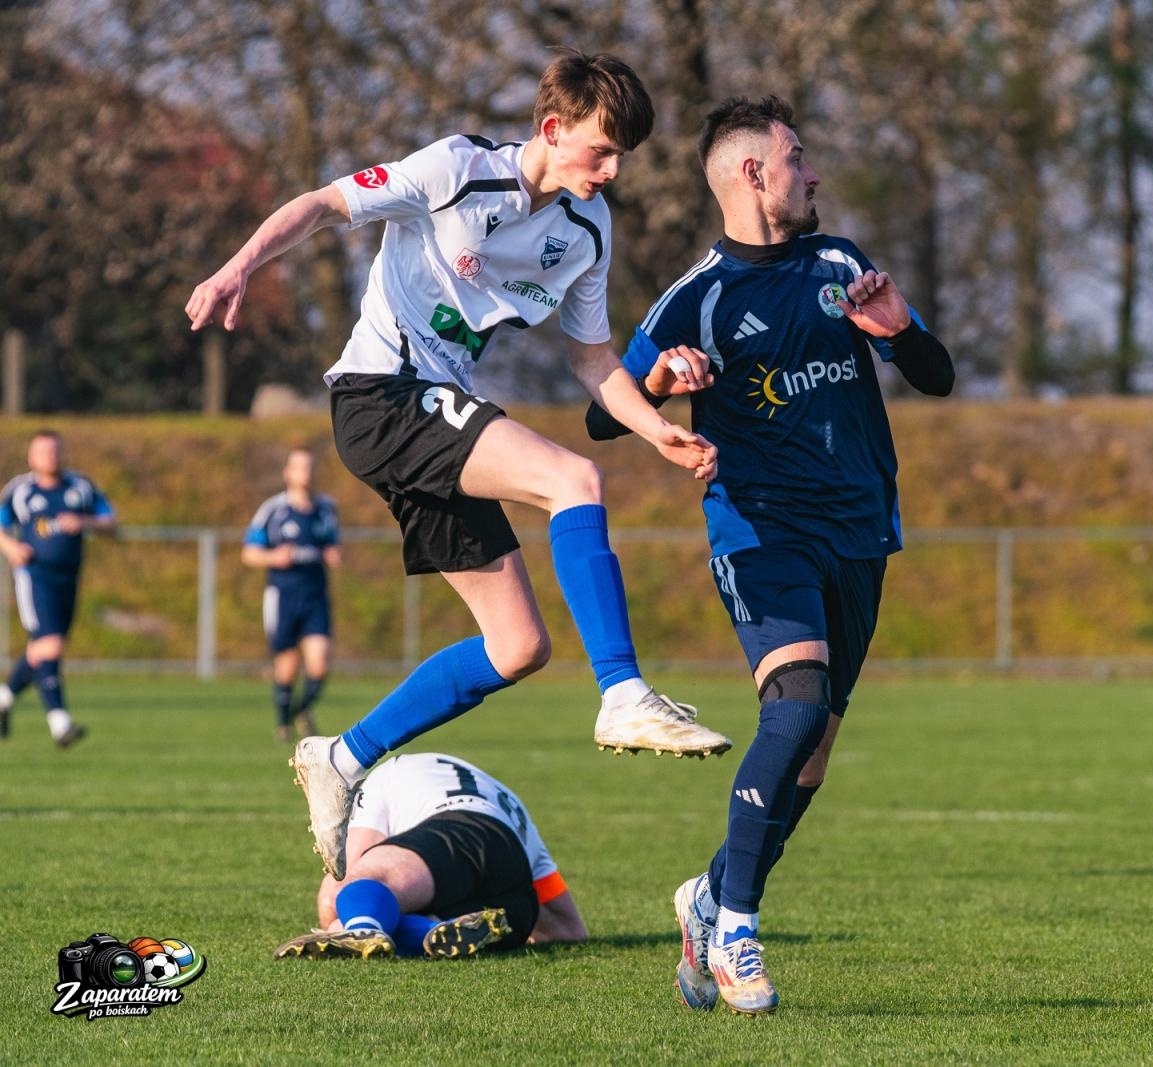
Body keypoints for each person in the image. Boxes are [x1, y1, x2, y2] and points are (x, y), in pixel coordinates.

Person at [186, 48, 732, 882]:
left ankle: (339, 754)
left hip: (434, 413)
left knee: (517, 646)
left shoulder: (586, 231)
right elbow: (325, 205)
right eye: (602, 150)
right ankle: (622, 693)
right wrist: (238, 266)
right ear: (552, 129)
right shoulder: (455, 170)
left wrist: (655, 429)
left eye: (625, 156)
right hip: (382, 395)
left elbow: (594, 361)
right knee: (573, 481)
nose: (614, 171)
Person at [588, 95, 955, 1014]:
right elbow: (604, 413)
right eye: (798, 156)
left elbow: (937, 374)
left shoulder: (843, 262)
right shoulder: (697, 297)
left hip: (860, 531)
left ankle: (707, 893)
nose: (814, 171)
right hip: (761, 532)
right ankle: (739, 930)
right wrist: (665, 381)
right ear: (754, 174)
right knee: (790, 715)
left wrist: (901, 330)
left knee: (814, 755)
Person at [273, 751, 585, 959]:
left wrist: (337, 926)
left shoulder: (386, 775)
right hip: (515, 900)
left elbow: (340, 886)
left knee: (360, 890)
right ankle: (432, 929)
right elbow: (567, 928)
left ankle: (364, 927)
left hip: (455, 833)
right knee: (398, 914)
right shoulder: (508, 800)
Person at [0, 431, 116, 748]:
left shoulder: (80, 487)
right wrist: (9, 545)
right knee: (50, 645)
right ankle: (59, 723)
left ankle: (4, 697)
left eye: (54, 450)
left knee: (43, 649)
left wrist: (84, 522)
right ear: (31, 457)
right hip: (34, 575)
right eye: (43, 451)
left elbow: (111, 521)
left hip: (68, 578)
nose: (50, 456)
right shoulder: (20, 491)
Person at [243, 449, 342, 743]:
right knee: (286, 666)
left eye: (310, 467)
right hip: (283, 595)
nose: (306, 473)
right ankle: (283, 725)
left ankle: (301, 710)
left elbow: (330, 543)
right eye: (299, 467)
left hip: (315, 595)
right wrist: (274, 557)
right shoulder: (272, 510)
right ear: (287, 473)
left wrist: (333, 553)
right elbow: (249, 553)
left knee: (319, 664)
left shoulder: (326, 508)